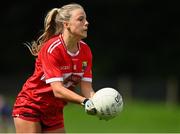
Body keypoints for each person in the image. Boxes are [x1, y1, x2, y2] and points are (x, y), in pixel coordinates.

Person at [12, 3, 97, 133]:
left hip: (54, 111)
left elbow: (87, 89)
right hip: (31, 105)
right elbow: (57, 90)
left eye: (85, 19)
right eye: (81, 19)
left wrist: (99, 103)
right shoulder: (53, 48)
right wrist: (84, 102)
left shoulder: (86, 51)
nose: (86, 23)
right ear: (66, 24)